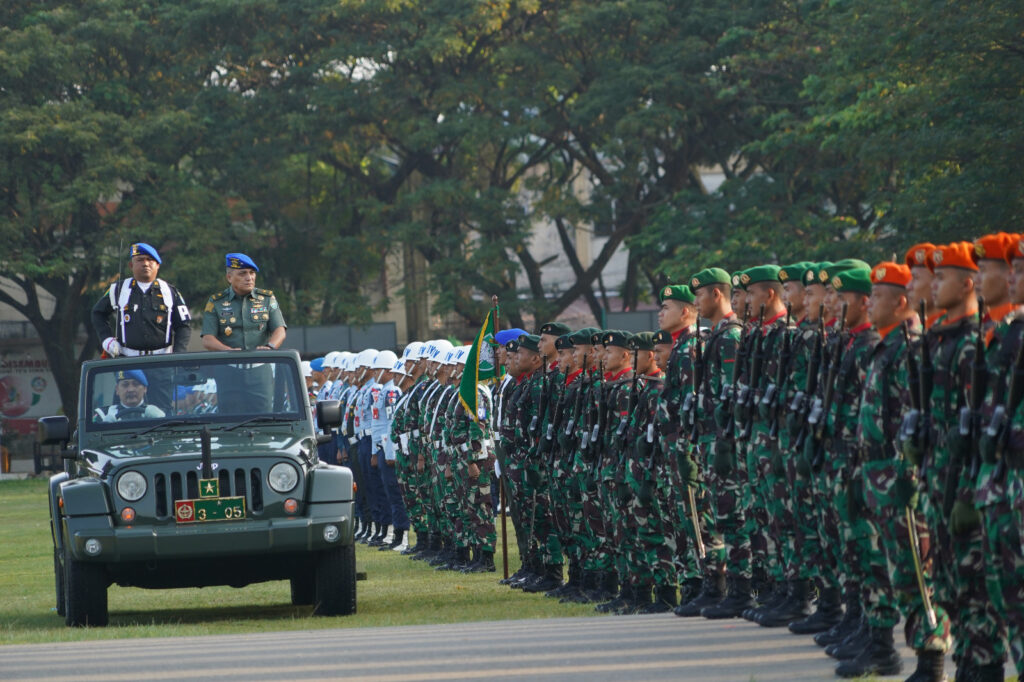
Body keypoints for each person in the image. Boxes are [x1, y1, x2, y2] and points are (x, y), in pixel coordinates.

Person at [200, 253, 287, 413]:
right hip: (229, 371)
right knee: (229, 421)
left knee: (263, 420)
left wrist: (270, 346)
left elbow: (279, 330)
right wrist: (226, 350)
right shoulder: (216, 301)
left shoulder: (267, 298)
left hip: (259, 371)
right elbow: (207, 339)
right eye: (242, 273)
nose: (249, 278)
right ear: (229, 277)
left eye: (251, 273)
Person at [92, 242, 192, 358]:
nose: (145, 264)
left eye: (150, 260)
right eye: (140, 260)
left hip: (162, 363)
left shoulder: (170, 292)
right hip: (127, 362)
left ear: (158, 265)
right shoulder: (118, 289)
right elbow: (98, 313)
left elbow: (183, 325)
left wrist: (178, 354)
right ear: (131, 265)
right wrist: (106, 339)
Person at [93, 370, 166, 422]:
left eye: (136, 384)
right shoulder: (103, 414)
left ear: (145, 388)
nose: (130, 389)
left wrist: (160, 420)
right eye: (125, 385)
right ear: (117, 390)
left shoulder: (157, 413)